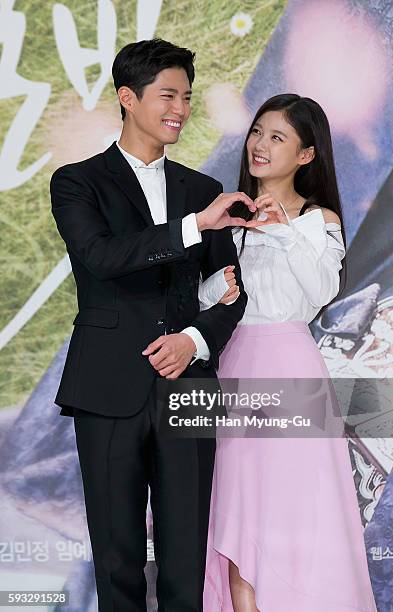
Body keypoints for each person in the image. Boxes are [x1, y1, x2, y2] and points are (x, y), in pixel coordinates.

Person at [50, 38, 252, 612]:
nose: (181, 110)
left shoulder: (202, 190)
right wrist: (192, 228)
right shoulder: (76, 182)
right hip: (109, 386)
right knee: (117, 560)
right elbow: (102, 257)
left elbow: (232, 296)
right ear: (127, 98)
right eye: (169, 95)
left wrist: (194, 340)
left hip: (188, 390)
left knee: (186, 557)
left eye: (187, 98)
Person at [201, 94, 378, 611]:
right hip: (231, 367)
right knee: (234, 513)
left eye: (277, 137)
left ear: (306, 154)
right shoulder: (225, 213)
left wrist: (281, 231)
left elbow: (322, 287)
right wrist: (217, 287)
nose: (260, 145)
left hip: (289, 368)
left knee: (288, 513)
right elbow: (201, 299)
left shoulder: (317, 219)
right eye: (257, 132)